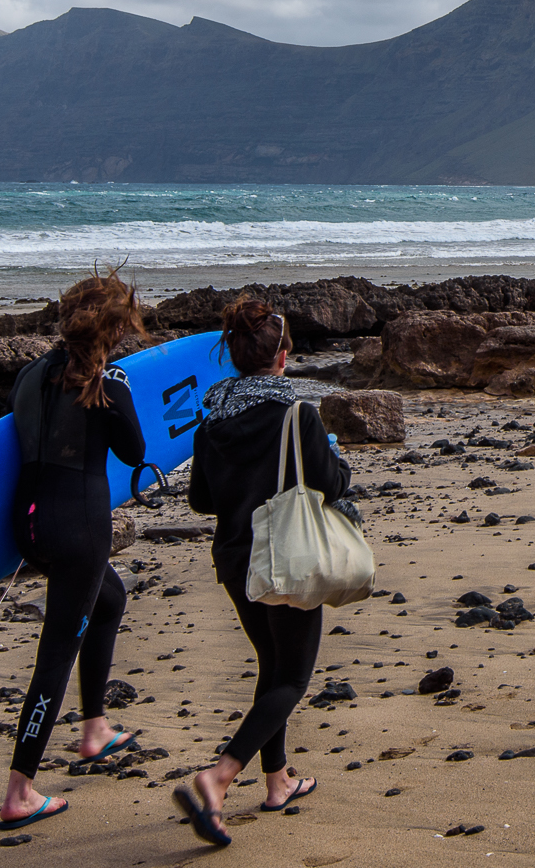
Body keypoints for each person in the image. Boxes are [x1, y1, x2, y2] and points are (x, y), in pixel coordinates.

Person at [171, 297, 352, 848]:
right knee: (292, 679)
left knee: (272, 667)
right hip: (286, 558)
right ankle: (218, 777)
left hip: (234, 559)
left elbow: (202, 500)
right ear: (283, 357)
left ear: (236, 356)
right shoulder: (297, 415)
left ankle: (278, 782)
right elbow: (332, 484)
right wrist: (336, 457)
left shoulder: (211, 419)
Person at [0, 271, 149, 830]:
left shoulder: (30, 374)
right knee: (56, 655)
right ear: (112, 329)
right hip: (79, 530)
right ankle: (20, 791)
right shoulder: (110, 383)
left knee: (108, 601)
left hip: (28, 524)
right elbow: (134, 451)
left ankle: (95, 728)